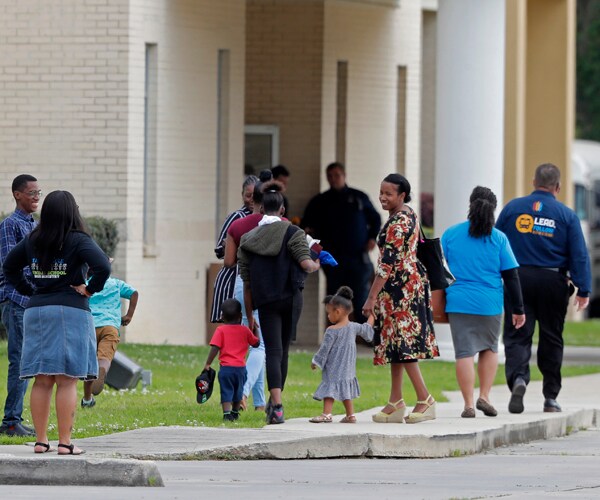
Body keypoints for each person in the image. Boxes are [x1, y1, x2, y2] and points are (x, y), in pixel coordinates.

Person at [3, 190, 110, 455]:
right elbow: (103, 267)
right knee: (66, 380)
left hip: (37, 311)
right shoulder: (78, 239)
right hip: (70, 312)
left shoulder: (32, 239)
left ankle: (41, 441)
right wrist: (89, 289)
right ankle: (65, 443)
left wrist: (29, 289)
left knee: (41, 379)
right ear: (72, 211)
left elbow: (8, 266)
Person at [496, 163, 591, 414]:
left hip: (518, 280)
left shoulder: (512, 209)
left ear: (533, 181)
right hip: (553, 282)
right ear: (558, 187)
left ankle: (518, 378)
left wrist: (495, 276)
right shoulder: (566, 215)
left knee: (518, 333)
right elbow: (579, 254)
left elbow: (496, 243)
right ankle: (550, 397)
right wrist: (583, 288)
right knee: (551, 337)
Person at [238, 183, 320, 424]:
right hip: (291, 298)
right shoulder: (293, 233)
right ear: (282, 209)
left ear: (261, 208)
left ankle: (277, 405)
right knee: (283, 350)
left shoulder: (247, 239)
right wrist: (317, 263)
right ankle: (276, 404)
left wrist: (250, 314)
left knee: (271, 350)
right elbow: (306, 264)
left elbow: (247, 280)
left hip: (265, 300)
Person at [441, 187, 526, 418]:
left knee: (464, 353)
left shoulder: (451, 234)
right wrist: (518, 309)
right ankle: (484, 396)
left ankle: (468, 404)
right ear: (493, 208)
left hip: (458, 301)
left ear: (470, 205)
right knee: (489, 348)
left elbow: (441, 268)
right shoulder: (498, 238)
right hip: (489, 303)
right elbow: (511, 275)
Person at [362, 173, 439, 424]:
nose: (383, 197)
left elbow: (386, 265)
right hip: (400, 288)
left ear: (402, 195)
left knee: (404, 346)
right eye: (381, 192)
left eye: (389, 194)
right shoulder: (406, 214)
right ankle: (395, 402)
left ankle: (425, 399)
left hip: (402, 291)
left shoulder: (399, 222)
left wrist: (370, 298)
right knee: (396, 345)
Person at [302, 162, 381, 323]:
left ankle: (366, 335)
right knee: (335, 299)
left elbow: (376, 219)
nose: (333, 179)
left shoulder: (358, 197)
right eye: (330, 176)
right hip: (332, 259)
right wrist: (316, 253)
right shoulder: (320, 201)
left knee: (360, 297)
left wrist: (372, 238)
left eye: (337, 175)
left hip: (357, 257)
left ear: (344, 176)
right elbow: (306, 230)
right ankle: (337, 334)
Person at [224, 170, 273, 412]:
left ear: (251, 199)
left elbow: (228, 262)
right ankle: (242, 392)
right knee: (260, 345)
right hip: (265, 287)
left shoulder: (238, 224)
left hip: (241, 284)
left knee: (251, 341)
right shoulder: (278, 224)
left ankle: (259, 402)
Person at [0, 174, 40, 437]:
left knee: (28, 360)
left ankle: (15, 417)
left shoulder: (35, 226)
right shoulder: (10, 225)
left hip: (33, 301)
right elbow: (10, 266)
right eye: (32, 193)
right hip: (16, 300)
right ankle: (10, 422)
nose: (37, 197)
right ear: (17, 194)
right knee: (19, 360)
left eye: (39, 193)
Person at [309, 286, 374, 424]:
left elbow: (324, 350)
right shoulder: (354, 327)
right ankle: (350, 415)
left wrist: (316, 361)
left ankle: (326, 414)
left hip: (333, 367)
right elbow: (367, 331)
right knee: (346, 391)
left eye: (329, 313)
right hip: (348, 367)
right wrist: (372, 316)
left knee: (329, 389)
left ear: (337, 312)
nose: (328, 316)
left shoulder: (331, 331)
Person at [81, 267, 139, 408]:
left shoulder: (85, 284)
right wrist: (129, 315)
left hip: (89, 327)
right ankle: (103, 370)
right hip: (110, 327)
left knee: (90, 365)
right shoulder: (115, 283)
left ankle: (87, 399)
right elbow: (134, 293)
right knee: (104, 358)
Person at [210, 175, 259, 323]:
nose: (250, 199)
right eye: (247, 195)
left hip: (254, 279)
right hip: (233, 279)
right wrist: (232, 245)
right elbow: (219, 249)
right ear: (242, 195)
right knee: (232, 326)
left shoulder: (266, 218)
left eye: (254, 195)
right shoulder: (237, 217)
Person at [203, 298, 260, 421]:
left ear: (222, 316)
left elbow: (215, 348)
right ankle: (235, 412)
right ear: (240, 315)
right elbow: (256, 344)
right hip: (240, 369)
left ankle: (226, 414)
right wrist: (256, 330)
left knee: (226, 391)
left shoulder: (220, 330)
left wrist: (208, 363)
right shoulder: (245, 330)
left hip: (226, 369)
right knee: (238, 392)